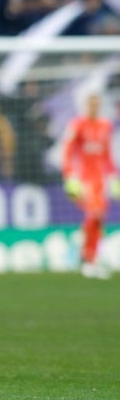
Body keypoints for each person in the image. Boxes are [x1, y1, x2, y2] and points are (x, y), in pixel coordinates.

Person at [62, 94, 118, 280]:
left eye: (97, 103)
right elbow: (68, 151)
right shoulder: (77, 125)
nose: (94, 106)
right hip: (83, 178)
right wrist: (70, 176)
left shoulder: (105, 126)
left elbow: (107, 156)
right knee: (93, 215)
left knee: (99, 219)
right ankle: (87, 259)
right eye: (91, 103)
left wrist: (115, 176)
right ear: (86, 105)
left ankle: (91, 259)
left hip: (100, 180)